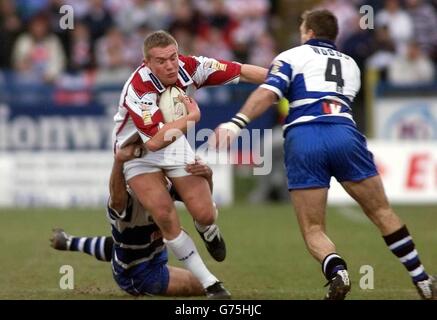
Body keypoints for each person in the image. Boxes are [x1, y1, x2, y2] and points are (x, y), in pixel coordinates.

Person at [213, 9, 436, 300]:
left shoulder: (292, 56)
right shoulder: (352, 65)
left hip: (305, 137)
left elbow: (269, 92)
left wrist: (235, 123)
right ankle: (422, 279)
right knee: (382, 212)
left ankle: (337, 270)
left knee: (314, 228)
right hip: (345, 134)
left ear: (308, 32)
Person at [113, 30, 267, 285]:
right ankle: (210, 283)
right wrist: (192, 118)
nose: (171, 65)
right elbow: (152, 141)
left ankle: (207, 229)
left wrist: (282, 82)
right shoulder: (139, 88)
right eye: (161, 61)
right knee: (164, 214)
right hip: (137, 152)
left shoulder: (190, 66)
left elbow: (240, 71)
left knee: (204, 213)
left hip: (173, 141)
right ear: (147, 63)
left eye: (173, 57)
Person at [51, 142, 230, 299]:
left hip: (146, 252)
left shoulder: (162, 185)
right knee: (200, 286)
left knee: (121, 247)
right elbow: (116, 199)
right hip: (140, 273)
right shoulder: (127, 199)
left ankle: (69, 242)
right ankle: (71, 243)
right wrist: (118, 161)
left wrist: (207, 177)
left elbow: (200, 207)